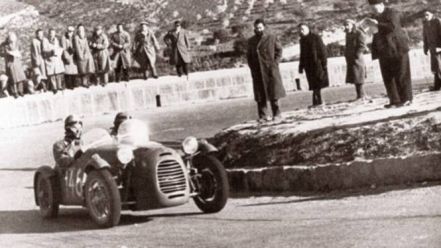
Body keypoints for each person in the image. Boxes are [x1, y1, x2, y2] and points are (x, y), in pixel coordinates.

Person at [366, 0, 412, 108]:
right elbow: (375, 32)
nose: (373, 10)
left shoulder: (392, 13)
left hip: (398, 49)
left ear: (381, 4)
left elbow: (392, 27)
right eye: (371, 8)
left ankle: (406, 99)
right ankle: (394, 100)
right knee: (388, 77)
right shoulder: (374, 17)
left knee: (402, 75)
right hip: (383, 51)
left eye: (374, 7)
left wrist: (377, 24)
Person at [246, 18, 286, 122]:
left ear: (264, 27)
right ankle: (263, 116)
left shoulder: (272, 37)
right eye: (256, 28)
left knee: (274, 93)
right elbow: (249, 56)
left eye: (260, 27)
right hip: (258, 71)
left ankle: (277, 114)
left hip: (270, 70)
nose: (258, 30)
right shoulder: (251, 41)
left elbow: (279, 50)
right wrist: (253, 68)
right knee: (260, 95)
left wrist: (275, 63)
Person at [298, 23, 329, 107]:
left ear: (308, 29)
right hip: (308, 66)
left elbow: (323, 51)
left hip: (317, 64)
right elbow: (302, 54)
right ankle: (317, 101)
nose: (301, 31)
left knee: (318, 83)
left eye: (303, 29)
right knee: (313, 84)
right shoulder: (302, 40)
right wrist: (301, 66)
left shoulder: (316, 38)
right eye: (300, 29)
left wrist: (324, 63)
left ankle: (319, 101)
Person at [344, 19, 369, 101]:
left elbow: (362, 45)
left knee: (359, 76)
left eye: (348, 24)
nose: (346, 26)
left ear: (352, 24)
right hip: (350, 58)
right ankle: (359, 95)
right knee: (354, 77)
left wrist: (356, 54)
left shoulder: (358, 33)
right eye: (345, 25)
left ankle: (362, 95)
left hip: (357, 59)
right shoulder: (348, 34)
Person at [0, 32, 27, 97]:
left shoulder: (17, 43)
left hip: (17, 62)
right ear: (8, 39)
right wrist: (6, 53)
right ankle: (14, 92)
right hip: (10, 64)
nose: (12, 42)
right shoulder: (3, 45)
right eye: (11, 40)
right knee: (13, 78)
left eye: (13, 40)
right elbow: (1, 54)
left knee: (20, 78)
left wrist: (19, 53)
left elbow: (21, 50)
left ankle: (21, 91)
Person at [423, 10, 441, 91]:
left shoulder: (437, 21)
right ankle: (437, 85)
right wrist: (425, 48)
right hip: (432, 48)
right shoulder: (425, 24)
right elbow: (425, 37)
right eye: (425, 15)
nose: (426, 16)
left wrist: (440, 46)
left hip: (438, 48)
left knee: (439, 66)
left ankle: (437, 86)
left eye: (427, 15)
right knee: (435, 67)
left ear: (432, 14)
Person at [43, 28, 65, 93]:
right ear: (48, 33)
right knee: (52, 74)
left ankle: (59, 86)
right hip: (50, 58)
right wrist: (50, 51)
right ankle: (54, 87)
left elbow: (58, 47)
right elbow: (44, 49)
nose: (51, 35)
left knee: (58, 73)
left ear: (54, 34)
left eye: (53, 33)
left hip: (56, 58)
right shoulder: (45, 40)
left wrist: (59, 50)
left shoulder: (56, 40)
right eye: (50, 33)